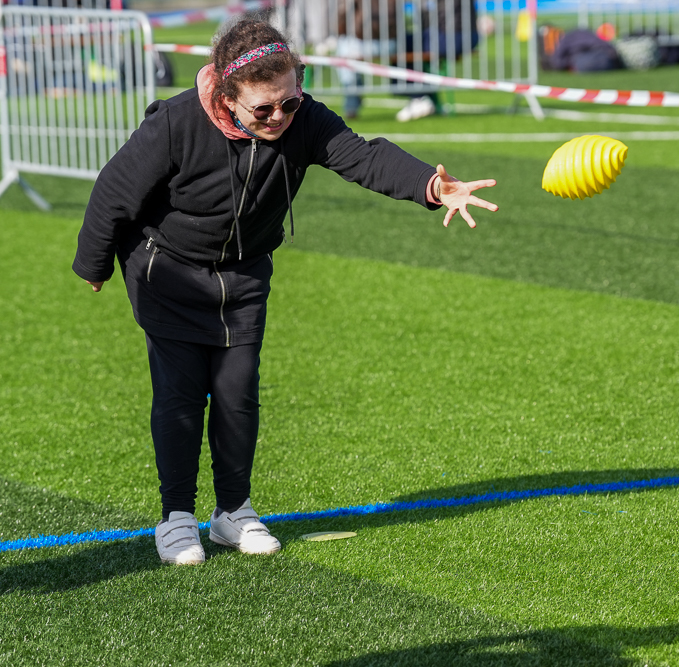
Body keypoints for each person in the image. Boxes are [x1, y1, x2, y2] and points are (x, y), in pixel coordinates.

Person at [72, 19, 497, 565]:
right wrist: (94, 262)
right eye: (264, 109)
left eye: (290, 103)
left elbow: (364, 156)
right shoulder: (176, 123)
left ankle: (233, 512)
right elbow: (114, 190)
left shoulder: (305, 119)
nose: (279, 117)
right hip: (167, 271)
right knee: (181, 394)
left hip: (245, 273)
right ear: (228, 97)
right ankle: (176, 517)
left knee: (237, 393)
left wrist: (432, 186)